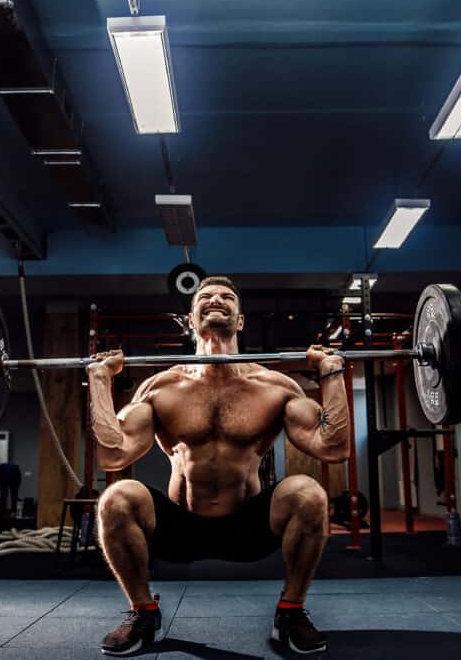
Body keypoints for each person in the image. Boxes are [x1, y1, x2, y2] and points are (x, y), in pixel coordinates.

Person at [87, 276, 350, 655]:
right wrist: (98, 381)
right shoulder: (161, 387)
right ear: (190, 319)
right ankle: (143, 611)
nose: (216, 300)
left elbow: (334, 447)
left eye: (227, 297)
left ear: (240, 320)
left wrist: (331, 372)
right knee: (116, 498)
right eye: (205, 297)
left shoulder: (275, 386)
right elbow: (115, 455)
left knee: (309, 493)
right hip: (179, 526)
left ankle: (291, 611)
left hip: (249, 526)